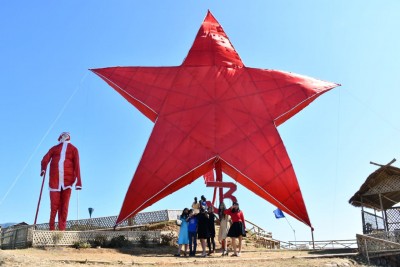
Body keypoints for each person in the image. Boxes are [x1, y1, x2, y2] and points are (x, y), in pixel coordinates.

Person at [41, 132, 82, 231]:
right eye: (63, 135)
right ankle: (52, 229)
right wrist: (43, 168)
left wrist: (79, 182)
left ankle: (62, 230)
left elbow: (77, 165)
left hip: (67, 182)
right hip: (54, 182)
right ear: (60, 137)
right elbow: (45, 159)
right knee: (54, 207)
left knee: (64, 207)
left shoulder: (73, 149)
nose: (65, 137)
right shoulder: (54, 149)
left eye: (66, 135)